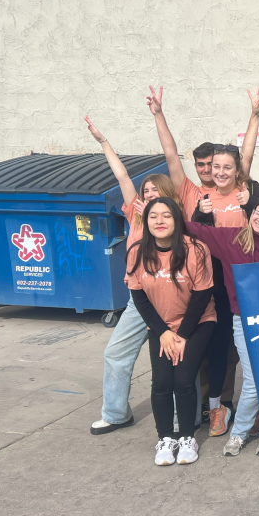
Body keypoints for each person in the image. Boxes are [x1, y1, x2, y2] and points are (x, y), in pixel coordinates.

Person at [149, 86, 259, 437]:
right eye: (215, 166)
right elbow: (171, 157)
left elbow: (245, 154)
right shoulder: (196, 194)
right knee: (215, 345)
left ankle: (255, 406)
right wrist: (158, 114)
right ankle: (214, 407)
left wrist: (255, 115)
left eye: (226, 166)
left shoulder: (243, 191)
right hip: (207, 279)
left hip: (244, 278)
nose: (220, 171)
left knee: (247, 347)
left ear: (236, 170)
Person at [84, 117, 190, 436]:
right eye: (146, 190)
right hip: (138, 299)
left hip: (170, 299)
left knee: (171, 362)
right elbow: (121, 174)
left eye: (156, 190)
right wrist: (104, 142)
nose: (149, 194)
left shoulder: (176, 220)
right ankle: (116, 413)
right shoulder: (135, 213)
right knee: (116, 353)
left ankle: (178, 419)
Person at [186, 197, 259, 457]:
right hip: (244, 320)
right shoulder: (233, 239)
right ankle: (240, 432)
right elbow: (196, 229)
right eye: (257, 212)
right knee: (253, 381)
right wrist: (163, 214)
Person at [126, 197, 216, 465]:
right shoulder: (136, 251)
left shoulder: (196, 249)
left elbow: (202, 296)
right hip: (161, 325)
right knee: (162, 382)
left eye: (166, 215)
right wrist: (164, 332)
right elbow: (138, 296)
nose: (160, 221)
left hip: (197, 322)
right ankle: (165, 438)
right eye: (153, 216)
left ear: (177, 219)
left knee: (183, 380)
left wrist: (182, 336)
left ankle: (187, 436)